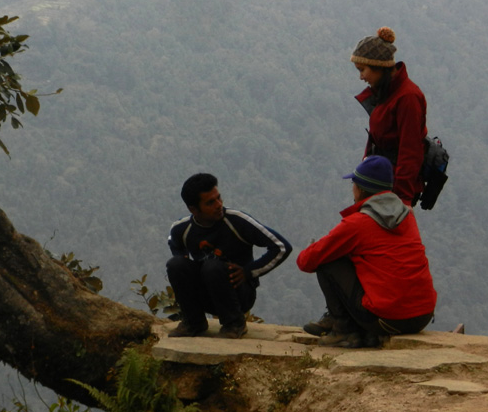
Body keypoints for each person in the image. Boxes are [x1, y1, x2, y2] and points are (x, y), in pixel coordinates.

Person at [297, 156, 436, 349]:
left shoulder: (358, 224)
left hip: (388, 318)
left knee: (328, 261)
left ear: (361, 189)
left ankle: (344, 331)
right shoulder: (407, 217)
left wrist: (315, 248)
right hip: (423, 315)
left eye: (353, 184)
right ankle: (362, 331)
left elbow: (306, 261)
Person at [167, 173, 292, 338]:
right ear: (193, 209)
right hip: (206, 294)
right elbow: (174, 244)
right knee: (175, 265)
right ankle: (193, 322)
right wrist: (183, 261)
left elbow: (281, 247)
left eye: (219, 198)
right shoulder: (182, 229)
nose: (219, 205)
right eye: (210, 203)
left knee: (212, 267)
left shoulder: (237, 221)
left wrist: (248, 271)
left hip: (238, 295)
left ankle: (234, 323)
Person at [351, 26, 427, 206]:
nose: (361, 77)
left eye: (362, 69)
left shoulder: (407, 98)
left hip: (394, 189)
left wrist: (403, 201)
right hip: (379, 184)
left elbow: (411, 151)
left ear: (379, 67)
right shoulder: (386, 94)